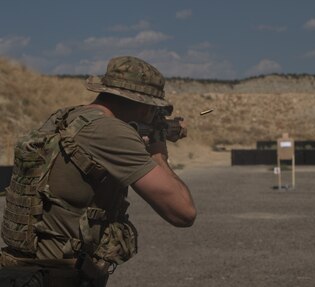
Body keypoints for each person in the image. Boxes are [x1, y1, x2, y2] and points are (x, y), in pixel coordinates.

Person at [0, 56, 196, 286]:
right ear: (145, 107)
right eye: (154, 111)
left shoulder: (66, 118)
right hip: (62, 277)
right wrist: (157, 153)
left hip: (24, 271)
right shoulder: (111, 132)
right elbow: (183, 213)